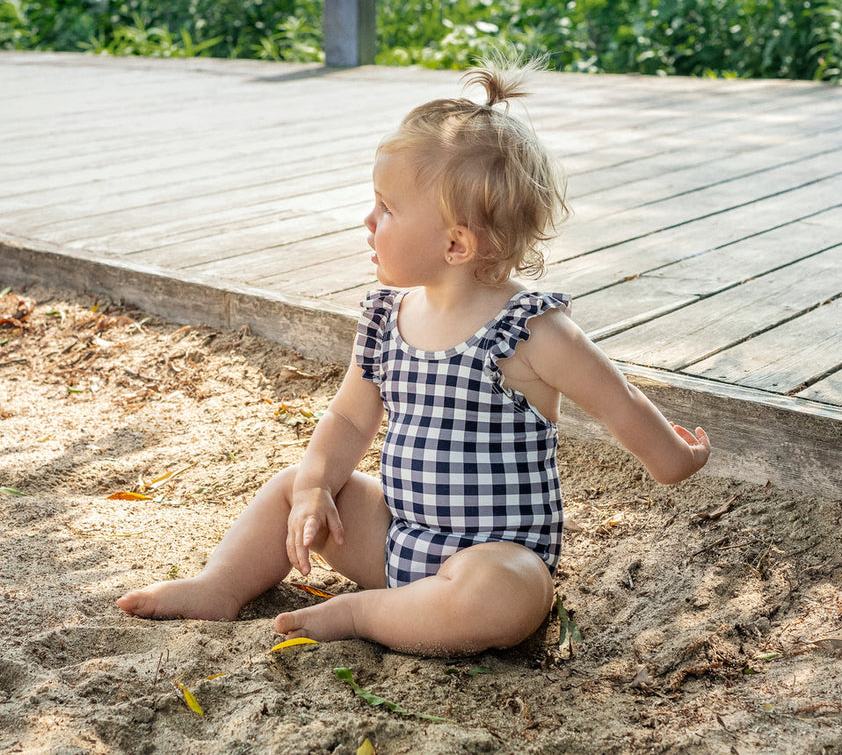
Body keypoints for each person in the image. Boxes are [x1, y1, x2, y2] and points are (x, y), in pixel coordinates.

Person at [117, 60, 710, 656]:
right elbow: (349, 420)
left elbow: (618, 401)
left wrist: (673, 459)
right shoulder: (384, 318)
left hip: (489, 559)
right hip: (393, 538)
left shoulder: (531, 331)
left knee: (508, 597)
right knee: (293, 485)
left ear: (456, 243)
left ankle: (364, 613)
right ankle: (220, 585)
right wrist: (318, 486)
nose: (368, 221)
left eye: (386, 209)